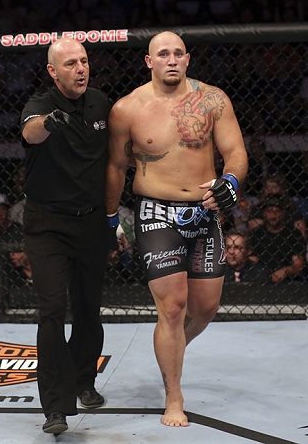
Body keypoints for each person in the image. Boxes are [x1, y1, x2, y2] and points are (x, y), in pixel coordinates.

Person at [105, 31, 247, 427]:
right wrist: (111, 217)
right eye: (162, 53)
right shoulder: (127, 109)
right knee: (172, 307)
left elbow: (235, 152)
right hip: (156, 214)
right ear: (148, 61)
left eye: (177, 53)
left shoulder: (213, 100)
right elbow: (116, 167)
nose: (171, 59)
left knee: (203, 311)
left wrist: (231, 182)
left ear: (187, 59)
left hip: (205, 213)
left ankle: (171, 349)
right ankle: (173, 395)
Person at [20, 37, 111, 434]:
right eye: (71, 63)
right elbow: (29, 132)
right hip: (48, 225)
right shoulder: (40, 106)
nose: (80, 68)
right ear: (53, 72)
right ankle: (56, 407)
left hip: (91, 221)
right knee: (53, 310)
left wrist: (113, 218)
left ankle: (84, 381)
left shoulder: (101, 104)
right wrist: (50, 123)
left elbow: (115, 160)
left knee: (89, 308)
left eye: (84, 61)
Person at [250, 194, 306, 283]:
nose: (273, 215)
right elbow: (252, 260)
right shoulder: (257, 233)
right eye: (269, 211)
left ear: (283, 213)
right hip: (262, 278)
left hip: (288, 280)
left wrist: (286, 271)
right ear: (264, 213)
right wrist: (264, 274)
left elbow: (298, 265)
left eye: (277, 211)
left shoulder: (294, 234)